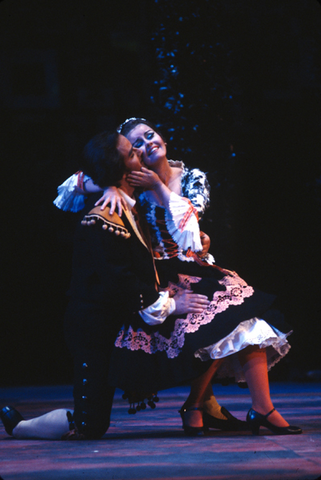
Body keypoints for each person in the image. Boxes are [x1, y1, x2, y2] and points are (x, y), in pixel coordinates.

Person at [50, 118, 302, 436]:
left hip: (193, 266)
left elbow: (190, 227)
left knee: (245, 317)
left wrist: (157, 185)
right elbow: (77, 182)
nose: (146, 144)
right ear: (130, 158)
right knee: (216, 325)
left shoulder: (191, 177)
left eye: (149, 135)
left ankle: (237, 407)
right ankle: (202, 405)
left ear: (162, 137)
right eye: (135, 145)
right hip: (158, 274)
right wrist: (109, 184)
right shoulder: (131, 179)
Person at [0, 131, 210, 440]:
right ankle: (19, 427)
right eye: (132, 152)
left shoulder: (128, 202)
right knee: (91, 426)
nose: (141, 151)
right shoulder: (102, 219)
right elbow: (121, 282)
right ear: (127, 170)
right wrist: (171, 304)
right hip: (93, 331)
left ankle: (203, 402)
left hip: (117, 322)